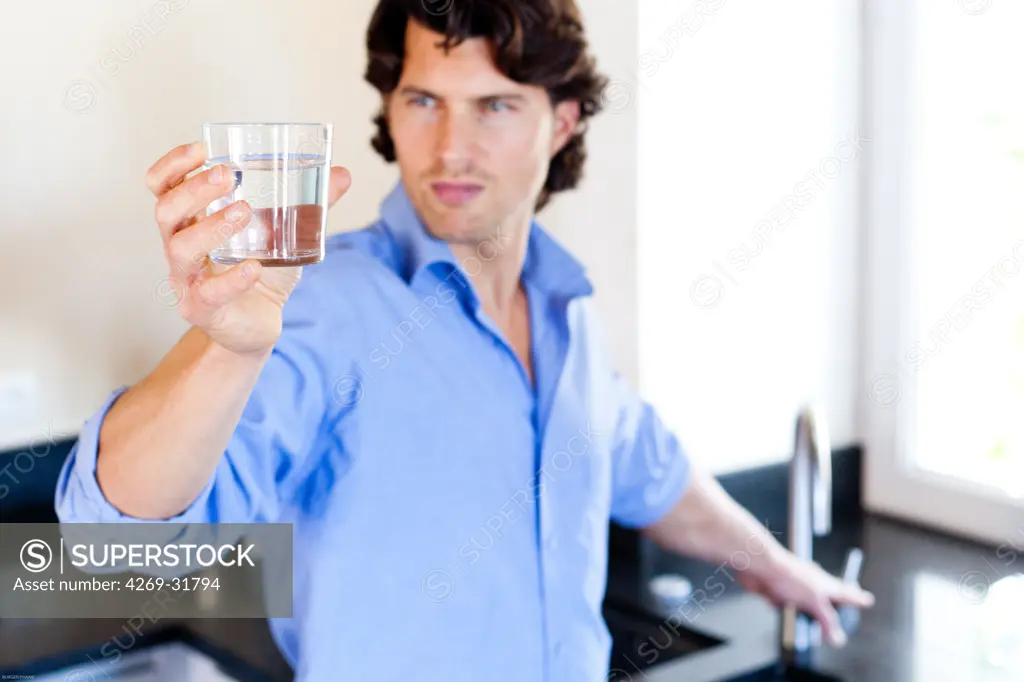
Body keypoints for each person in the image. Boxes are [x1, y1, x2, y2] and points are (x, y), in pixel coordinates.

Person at [55, 1, 874, 680]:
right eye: (423, 101)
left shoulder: (569, 311)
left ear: (561, 122)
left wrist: (776, 566)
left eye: (495, 105)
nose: (450, 146)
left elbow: (649, 470)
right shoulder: (318, 309)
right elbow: (114, 547)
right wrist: (227, 349)